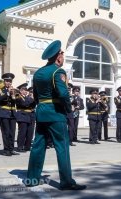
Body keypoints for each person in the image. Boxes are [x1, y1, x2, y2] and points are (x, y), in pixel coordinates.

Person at [26, 40, 86, 190]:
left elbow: (36, 95)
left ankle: (32, 178)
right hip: (55, 112)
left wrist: (42, 106)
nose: (63, 57)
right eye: (62, 55)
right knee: (62, 146)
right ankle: (66, 182)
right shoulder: (58, 71)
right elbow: (64, 94)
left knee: (38, 146)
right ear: (58, 57)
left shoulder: (39, 72)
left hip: (42, 112)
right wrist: (68, 110)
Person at [0, 73, 19, 156]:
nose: (8, 83)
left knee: (12, 132)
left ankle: (11, 149)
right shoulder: (0, 89)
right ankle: (6, 150)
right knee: (6, 132)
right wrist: (7, 93)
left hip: (12, 113)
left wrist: (14, 96)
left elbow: (17, 101)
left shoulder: (14, 90)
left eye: (10, 81)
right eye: (7, 81)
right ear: (4, 81)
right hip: (4, 113)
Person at [15, 83, 36, 152]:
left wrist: (34, 99)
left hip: (30, 116)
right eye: (23, 89)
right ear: (20, 91)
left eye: (26, 89)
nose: (25, 91)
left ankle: (27, 146)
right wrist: (32, 100)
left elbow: (33, 105)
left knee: (30, 132)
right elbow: (24, 103)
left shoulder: (28, 97)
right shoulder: (18, 96)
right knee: (22, 132)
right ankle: (20, 147)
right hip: (22, 115)